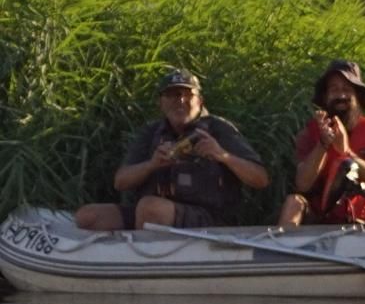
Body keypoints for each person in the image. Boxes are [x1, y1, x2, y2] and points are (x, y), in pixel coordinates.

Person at [74, 69, 268, 231]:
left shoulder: (219, 129)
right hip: (152, 210)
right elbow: (121, 181)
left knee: (149, 209)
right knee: (87, 216)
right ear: (161, 103)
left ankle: (149, 271)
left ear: (200, 101)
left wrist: (223, 156)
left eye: (187, 94)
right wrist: (151, 165)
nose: (180, 100)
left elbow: (260, 179)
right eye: (172, 95)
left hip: (208, 218)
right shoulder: (151, 132)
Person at [278, 60, 365, 227]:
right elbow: (302, 184)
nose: (341, 96)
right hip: (319, 220)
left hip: (362, 223)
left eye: (347, 89)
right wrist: (323, 144)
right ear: (325, 96)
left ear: (357, 96)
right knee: (293, 202)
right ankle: (282, 251)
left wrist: (347, 153)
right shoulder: (309, 133)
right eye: (334, 90)